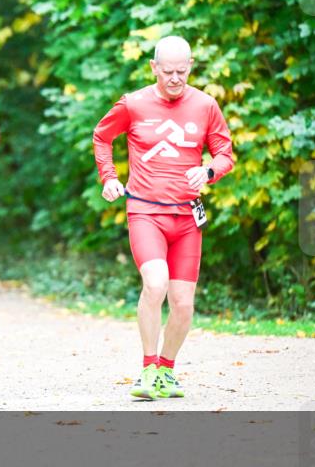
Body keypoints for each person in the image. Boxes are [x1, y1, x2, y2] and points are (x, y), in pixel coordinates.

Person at [92, 35, 235, 400]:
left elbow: (224, 152)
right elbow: (101, 136)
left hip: (187, 218)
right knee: (155, 284)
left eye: (182, 71)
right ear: (154, 67)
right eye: (168, 71)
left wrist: (208, 172)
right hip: (145, 211)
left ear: (191, 67)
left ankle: (167, 372)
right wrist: (109, 177)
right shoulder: (133, 104)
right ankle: (147, 369)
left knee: (184, 304)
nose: (175, 78)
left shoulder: (205, 105)